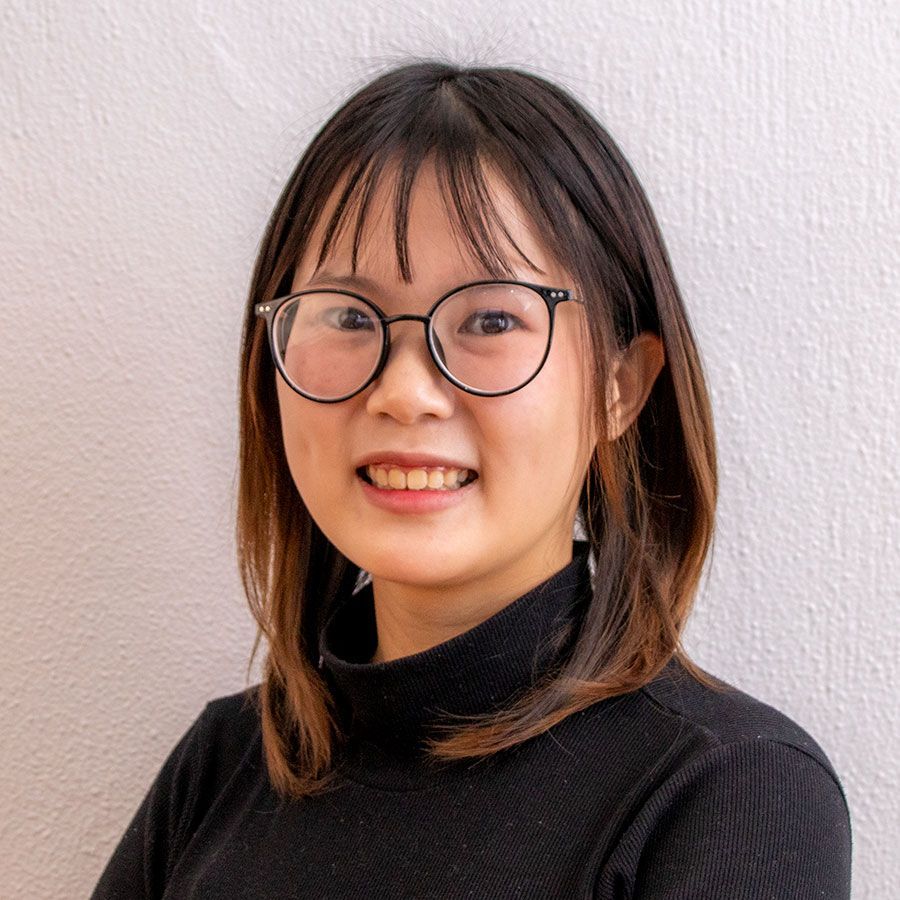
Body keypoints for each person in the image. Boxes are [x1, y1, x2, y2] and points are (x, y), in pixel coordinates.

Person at [91, 61, 852, 899]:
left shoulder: (730, 795)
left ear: (621, 386)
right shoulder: (223, 766)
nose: (405, 392)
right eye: (347, 316)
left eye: (491, 319)